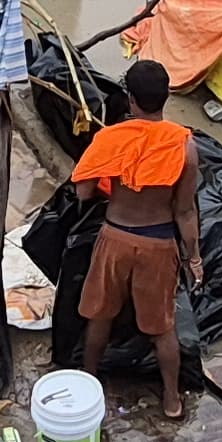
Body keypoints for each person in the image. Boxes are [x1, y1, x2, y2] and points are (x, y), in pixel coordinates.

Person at [69, 60, 202, 420]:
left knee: (100, 317)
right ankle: (172, 400)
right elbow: (185, 212)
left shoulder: (110, 139)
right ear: (167, 96)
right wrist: (194, 258)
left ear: (130, 99)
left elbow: (82, 192)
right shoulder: (185, 146)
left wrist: (113, 185)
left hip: (115, 238)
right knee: (162, 327)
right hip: (158, 245)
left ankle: (88, 381)